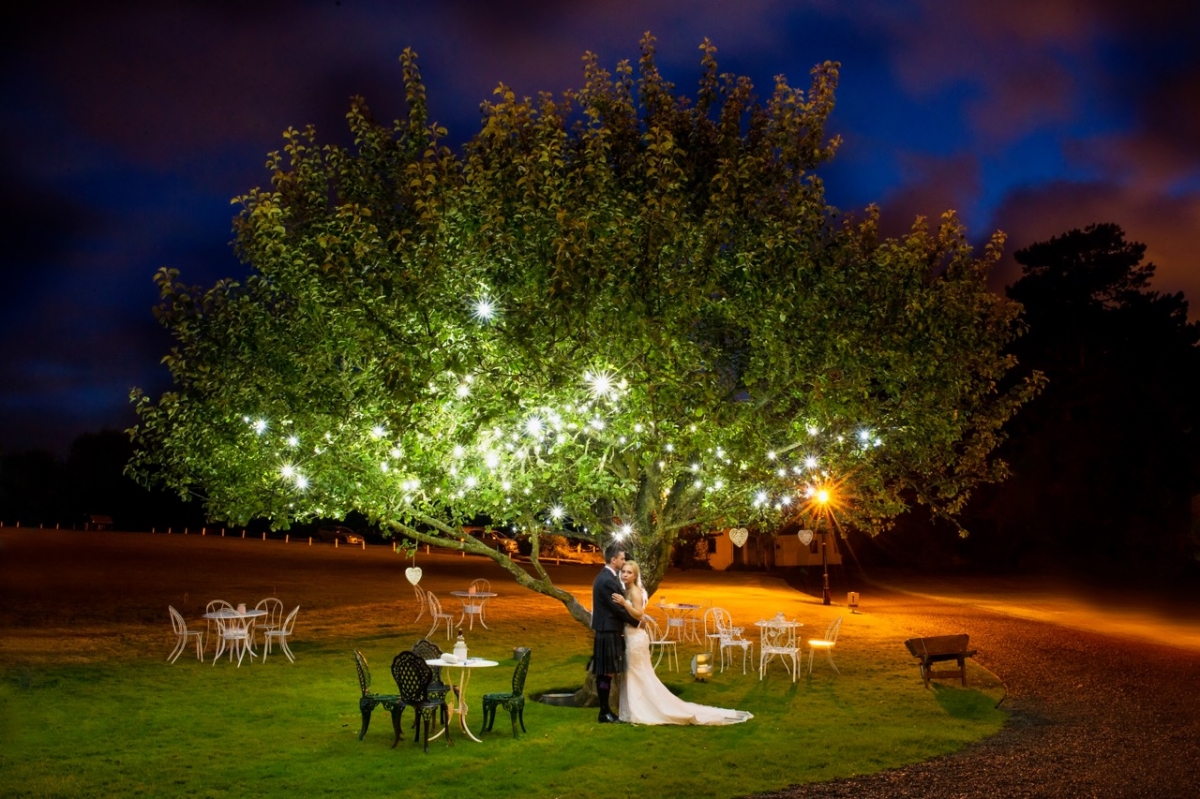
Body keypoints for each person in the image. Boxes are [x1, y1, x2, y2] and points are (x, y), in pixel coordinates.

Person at [612, 560, 754, 725]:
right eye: (623, 572)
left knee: (637, 673)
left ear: (635, 575)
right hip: (631, 636)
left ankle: (644, 708)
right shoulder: (627, 590)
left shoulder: (635, 592)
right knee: (635, 673)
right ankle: (633, 708)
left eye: (629, 572)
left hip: (636, 638)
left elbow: (639, 614)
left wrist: (624, 604)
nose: (625, 574)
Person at [590, 542, 643, 723]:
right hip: (608, 631)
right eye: (621, 559)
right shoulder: (606, 580)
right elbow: (616, 609)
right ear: (613, 560)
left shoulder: (607, 578)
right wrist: (635, 622)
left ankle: (605, 710)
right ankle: (604, 711)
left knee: (607, 672)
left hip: (608, 630)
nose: (623, 561)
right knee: (606, 673)